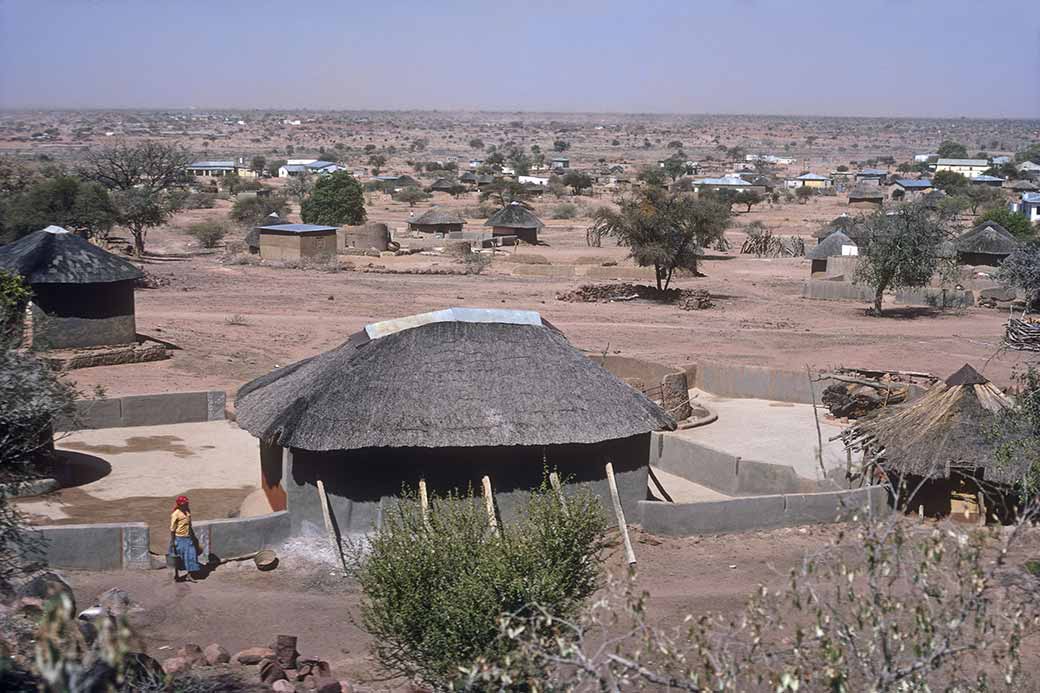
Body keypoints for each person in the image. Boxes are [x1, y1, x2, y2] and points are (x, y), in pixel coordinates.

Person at [169, 495, 201, 582]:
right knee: (178, 557)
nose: (186, 505)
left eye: (187, 503)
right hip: (179, 538)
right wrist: (173, 541)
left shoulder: (187, 511)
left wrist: (193, 537)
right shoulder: (175, 514)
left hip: (188, 538)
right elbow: (172, 529)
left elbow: (189, 525)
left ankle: (189, 575)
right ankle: (176, 574)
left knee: (191, 556)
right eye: (185, 504)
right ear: (180, 505)